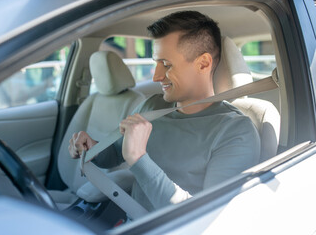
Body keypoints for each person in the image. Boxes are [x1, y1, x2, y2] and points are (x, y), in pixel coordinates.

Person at [68, 11, 260, 212]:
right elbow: (116, 154)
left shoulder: (236, 132)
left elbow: (205, 215)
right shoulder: (151, 106)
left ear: (203, 63)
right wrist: (93, 149)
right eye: (156, 63)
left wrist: (139, 159)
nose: (156, 77)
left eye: (166, 64)